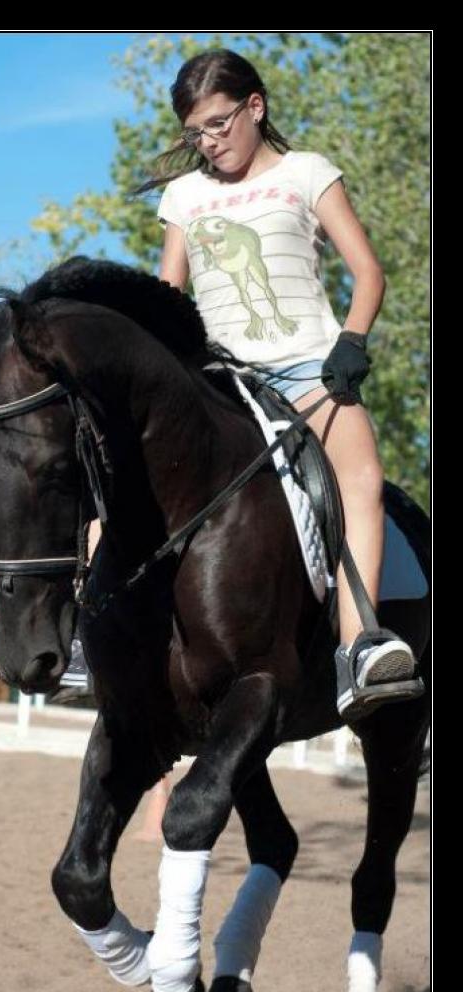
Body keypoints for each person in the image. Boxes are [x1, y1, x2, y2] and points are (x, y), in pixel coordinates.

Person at [133, 47, 423, 722]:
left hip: (309, 368)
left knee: (363, 482)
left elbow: (369, 272)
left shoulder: (307, 173)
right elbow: (168, 294)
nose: (209, 141)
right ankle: (101, 637)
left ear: (255, 107)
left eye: (218, 123)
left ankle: (358, 649)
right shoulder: (185, 196)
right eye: (195, 132)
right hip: (220, 379)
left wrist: (351, 342)